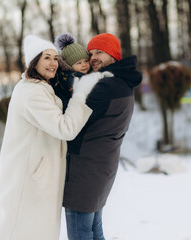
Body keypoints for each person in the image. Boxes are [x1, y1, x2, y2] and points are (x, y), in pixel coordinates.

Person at [0, 34, 111, 240]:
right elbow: (65, 129)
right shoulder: (32, 94)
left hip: (37, 176)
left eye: (55, 58)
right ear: (34, 61)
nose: (53, 63)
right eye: (46, 57)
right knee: (20, 232)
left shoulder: (40, 87)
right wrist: (80, 94)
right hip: (30, 179)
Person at [61, 33, 143, 239]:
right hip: (99, 169)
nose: (93, 57)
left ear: (114, 55)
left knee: (81, 234)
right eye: (90, 53)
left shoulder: (106, 86)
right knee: (94, 231)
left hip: (85, 171)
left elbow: (71, 117)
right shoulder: (121, 82)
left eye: (99, 52)